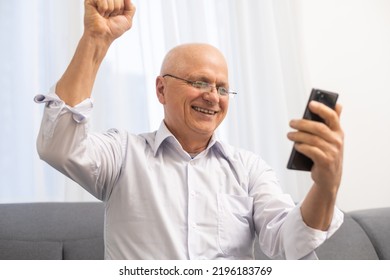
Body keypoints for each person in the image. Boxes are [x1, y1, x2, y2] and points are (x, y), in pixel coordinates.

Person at [35, 0, 344, 260]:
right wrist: (94, 40)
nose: (212, 96)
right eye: (198, 82)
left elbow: (290, 242)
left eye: (222, 88)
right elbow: (59, 147)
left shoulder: (249, 170)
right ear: (161, 89)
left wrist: (326, 185)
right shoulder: (123, 154)